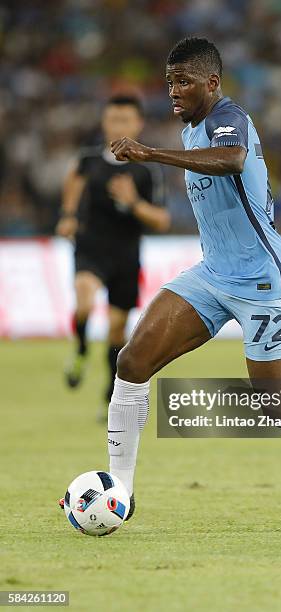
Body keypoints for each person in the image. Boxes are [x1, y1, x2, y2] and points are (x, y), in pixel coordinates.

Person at [61, 38, 281, 531]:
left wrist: (150, 153)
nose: (173, 91)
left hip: (263, 281)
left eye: (184, 82)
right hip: (212, 274)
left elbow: (233, 159)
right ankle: (121, 491)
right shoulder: (195, 127)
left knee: (278, 406)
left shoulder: (227, 116)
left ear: (211, 83)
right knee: (131, 362)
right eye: (169, 81)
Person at [56, 95, 170, 417]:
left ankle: (109, 395)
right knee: (84, 302)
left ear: (138, 124)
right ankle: (79, 348)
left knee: (118, 331)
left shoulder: (147, 171)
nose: (117, 126)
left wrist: (133, 202)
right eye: (112, 119)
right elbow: (74, 181)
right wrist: (67, 214)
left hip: (126, 255)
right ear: (104, 122)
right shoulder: (89, 160)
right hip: (90, 248)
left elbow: (162, 221)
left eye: (124, 120)